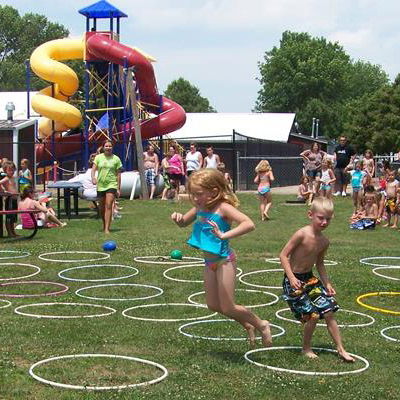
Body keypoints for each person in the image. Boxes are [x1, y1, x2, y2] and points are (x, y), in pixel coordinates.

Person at [171, 168, 272, 347]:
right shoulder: (199, 207)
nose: (194, 198)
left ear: (214, 191)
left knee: (228, 306)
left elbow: (249, 224)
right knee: (213, 305)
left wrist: (225, 235)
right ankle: (247, 324)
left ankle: (261, 324)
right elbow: (183, 223)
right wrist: (178, 218)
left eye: (198, 194)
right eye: (192, 194)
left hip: (224, 260)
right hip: (209, 262)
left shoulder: (224, 208)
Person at [279, 198, 354, 362]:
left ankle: (341, 349)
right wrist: (291, 277)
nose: (324, 222)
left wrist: (327, 283)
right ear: (310, 215)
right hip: (293, 280)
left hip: (310, 279)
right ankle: (306, 348)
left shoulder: (324, 241)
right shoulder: (301, 234)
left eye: (328, 219)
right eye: (321, 218)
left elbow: (319, 263)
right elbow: (283, 255)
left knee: (328, 311)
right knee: (312, 315)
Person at [91, 140, 122, 234]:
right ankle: (104, 225)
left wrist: (118, 188)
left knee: (109, 205)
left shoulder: (116, 159)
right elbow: (93, 170)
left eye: (110, 146)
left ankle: (107, 229)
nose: (108, 148)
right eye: (106, 146)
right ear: (103, 147)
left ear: (112, 147)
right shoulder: (98, 158)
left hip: (111, 184)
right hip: (101, 185)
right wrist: (93, 178)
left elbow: (118, 174)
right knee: (101, 208)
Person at [0, 161, 19, 237]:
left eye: (13, 170)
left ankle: (13, 232)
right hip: (9, 199)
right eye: (10, 170)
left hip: (14, 199)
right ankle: (9, 232)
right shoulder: (6, 179)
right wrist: (4, 190)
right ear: (5, 171)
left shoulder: (13, 178)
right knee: (9, 216)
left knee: (13, 217)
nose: (12, 172)